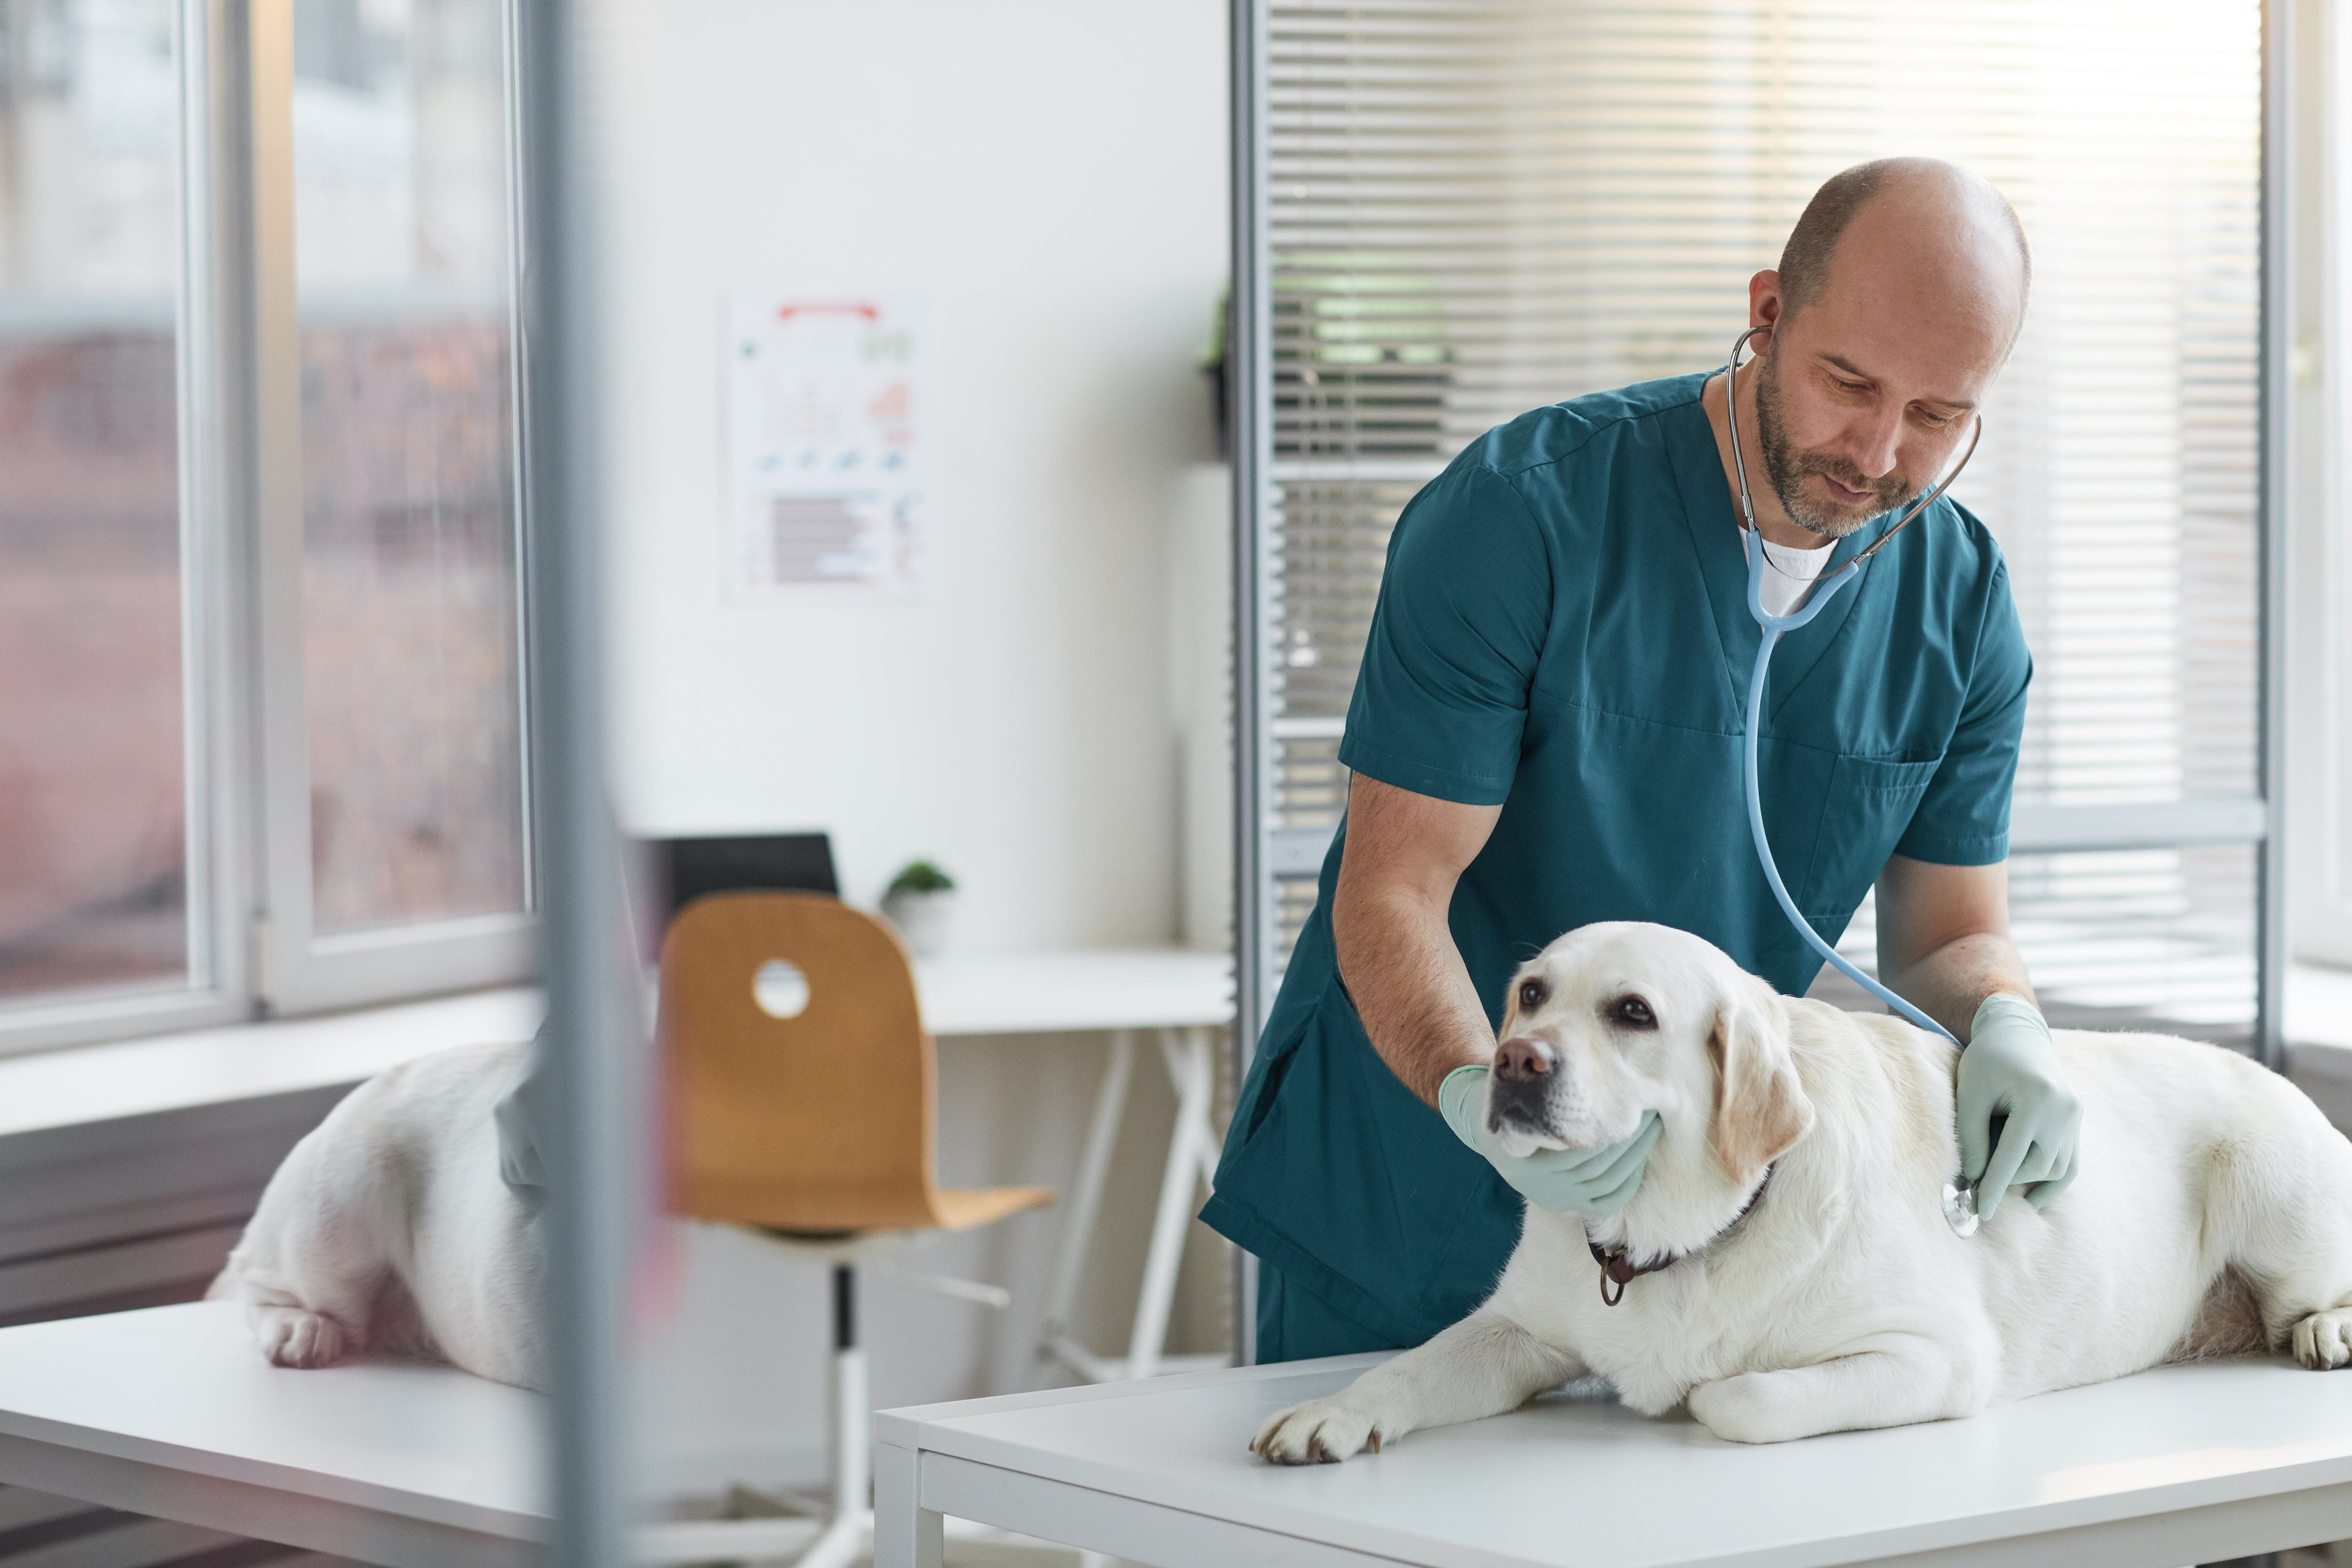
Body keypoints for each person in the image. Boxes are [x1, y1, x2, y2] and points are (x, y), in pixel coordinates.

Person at [1202, 157, 2084, 1365]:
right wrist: (1484, 1098)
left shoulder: (1960, 605)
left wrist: (2011, 1026)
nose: (1878, 450)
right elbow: (1394, 885)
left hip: (1683, 1243)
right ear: (1769, 313)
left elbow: (1942, 936)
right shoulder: (1522, 516)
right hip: (1417, 1199)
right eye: (1848, 382)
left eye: (1938, 414)